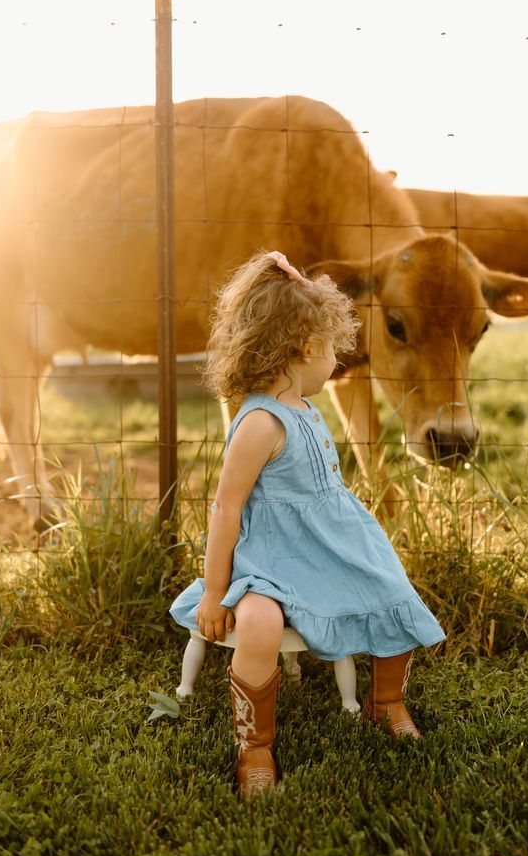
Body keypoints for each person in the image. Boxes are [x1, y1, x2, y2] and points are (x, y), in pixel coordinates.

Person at [169, 250, 446, 797]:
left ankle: (386, 701)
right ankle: (255, 747)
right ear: (302, 349)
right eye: (331, 351)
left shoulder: (301, 404)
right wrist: (216, 591)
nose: (337, 364)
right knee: (260, 626)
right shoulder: (260, 423)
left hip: (329, 548)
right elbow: (225, 510)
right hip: (267, 564)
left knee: (393, 591)